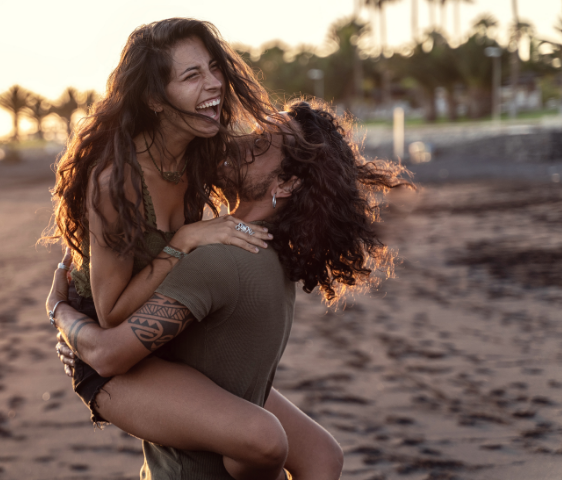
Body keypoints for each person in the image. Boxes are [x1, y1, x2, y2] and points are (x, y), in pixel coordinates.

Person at [48, 99, 412, 479]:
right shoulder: (273, 259)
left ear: (286, 184)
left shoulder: (217, 261)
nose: (239, 144)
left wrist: (60, 311)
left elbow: (107, 357)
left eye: (260, 145)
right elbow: (323, 457)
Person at [44, 17, 296, 479]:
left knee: (320, 453)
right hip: (109, 352)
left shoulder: (200, 152)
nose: (214, 83)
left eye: (213, 67)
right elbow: (113, 312)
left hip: (161, 338)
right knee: (261, 442)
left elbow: (278, 169)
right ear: (156, 100)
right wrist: (182, 242)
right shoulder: (116, 182)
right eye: (192, 75)